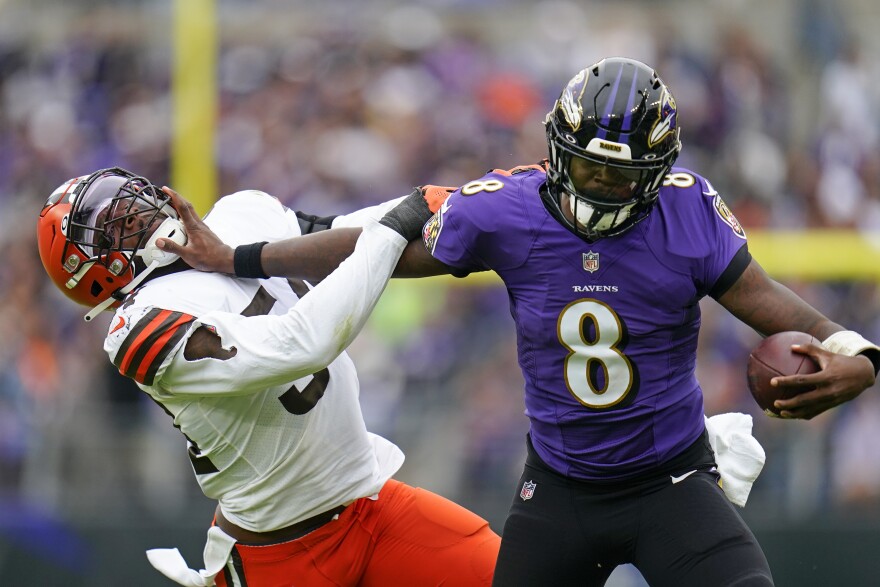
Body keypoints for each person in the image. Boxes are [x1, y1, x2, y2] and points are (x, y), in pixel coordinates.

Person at [156, 57, 880, 586]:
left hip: (672, 480)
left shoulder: (686, 211)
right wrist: (239, 256)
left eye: (621, 177)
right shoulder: (508, 209)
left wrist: (860, 353)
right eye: (589, 169)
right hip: (560, 492)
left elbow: (763, 297)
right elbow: (377, 248)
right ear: (558, 152)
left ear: (657, 175)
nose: (601, 188)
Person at [36, 168, 500, 587]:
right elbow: (303, 344)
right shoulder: (138, 328)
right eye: (112, 223)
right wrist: (400, 222)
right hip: (279, 555)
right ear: (92, 270)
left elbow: (340, 234)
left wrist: (471, 200)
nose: (134, 210)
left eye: (125, 199)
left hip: (370, 504)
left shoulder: (239, 214)